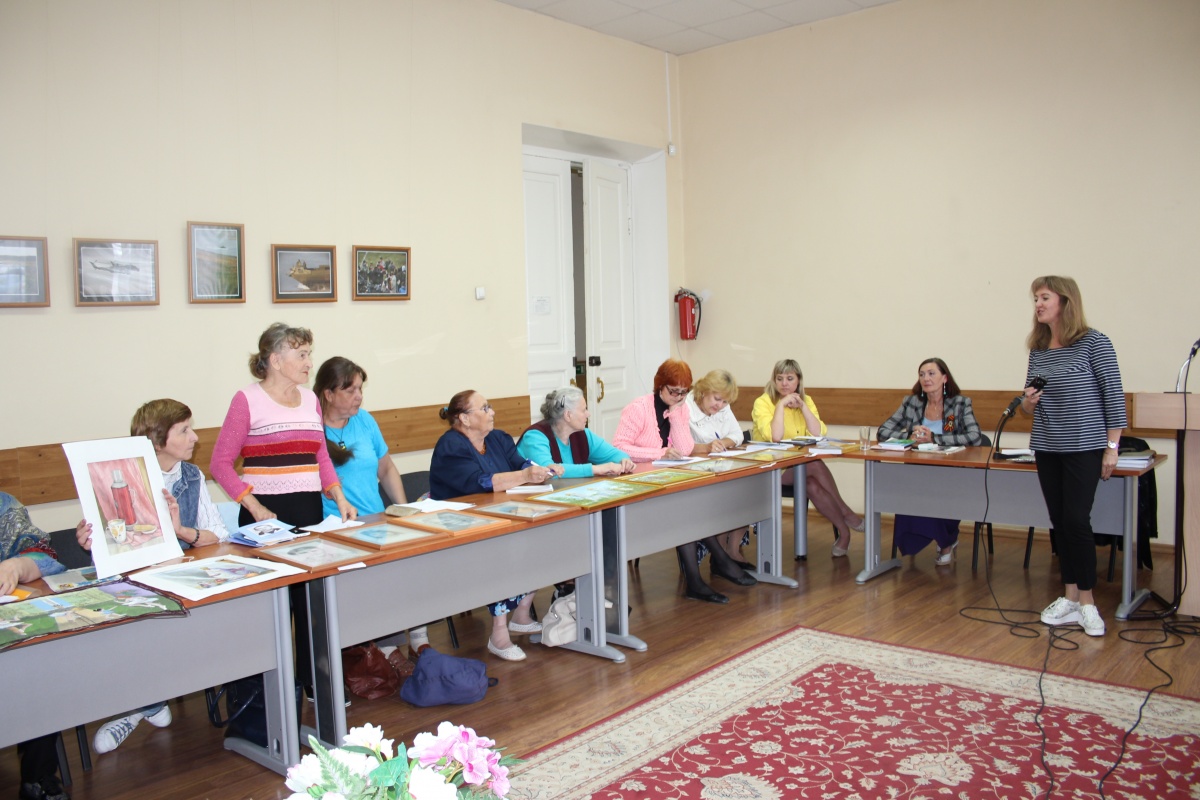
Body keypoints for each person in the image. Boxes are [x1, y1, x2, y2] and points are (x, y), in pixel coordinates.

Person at [210, 323, 357, 694]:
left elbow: (320, 455)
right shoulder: (246, 400)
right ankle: (275, 691)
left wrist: (338, 495)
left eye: (309, 353)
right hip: (265, 516)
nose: (309, 362)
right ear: (275, 361)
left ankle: (314, 682)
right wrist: (254, 505)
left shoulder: (310, 400)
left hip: (308, 510)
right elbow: (220, 464)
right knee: (273, 609)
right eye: (302, 354)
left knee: (310, 602)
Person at [89, 398, 235, 754]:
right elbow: (115, 541)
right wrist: (93, 539)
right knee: (136, 624)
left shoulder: (191, 475)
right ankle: (144, 704)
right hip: (138, 583)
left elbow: (219, 534)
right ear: (157, 441)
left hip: (183, 578)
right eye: (184, 431)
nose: (195, 437)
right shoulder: (118, 477)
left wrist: (182, 531)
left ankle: (150, 703)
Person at [1021, 276, 1126, 637]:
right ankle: (1068, 598)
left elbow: (1113, 396)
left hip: (1085, 446)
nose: (1038, 304)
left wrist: (1112, 448)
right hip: (1047, 446)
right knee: (1060, 522)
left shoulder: (1094, 342)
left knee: (1077, 520)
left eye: (1044, 297)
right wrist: (1027, 403)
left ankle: (1087, 603)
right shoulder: (1038, 349)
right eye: (1036, 299)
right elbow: (1029, 405)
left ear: (1065, 301)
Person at [429, 390, 561, 661]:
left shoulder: (498, 438)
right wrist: (523, 475)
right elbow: (480, 482)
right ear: (465, 419)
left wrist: (538, 470)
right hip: (460, 528)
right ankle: (498, 635)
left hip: (500, 517)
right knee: (503, 548)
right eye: (485, 408)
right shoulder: (450, 446)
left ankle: (521, 614)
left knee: (543, 537)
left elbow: (520, 464)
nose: (493, 413)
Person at [313, 356, 433, 654]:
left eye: (360, 389)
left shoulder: (364, 420)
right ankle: (386, 651)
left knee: (412, 564)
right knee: (373, 587)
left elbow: (386, 468)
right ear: (328, 394)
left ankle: (419, 640)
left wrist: (405, 510)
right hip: (337, 529)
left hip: (377, 521)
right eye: (351, 390)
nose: (359, 396)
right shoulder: (312, 429)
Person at [613, 359, 756, 604]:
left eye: (683, 392)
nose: (679, 397)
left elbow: (685, 448)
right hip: (640, 482)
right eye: (674, 391)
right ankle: (715, 565)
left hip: (665, 479)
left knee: (688, 508)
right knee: (686, 510)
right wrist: (660, 453)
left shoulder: (680, 408)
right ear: (660, 385)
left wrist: (677, 414)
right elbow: (619, 447)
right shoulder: (638, 408)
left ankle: (701, 576)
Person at [2, 492, 87, 800]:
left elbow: (45, 557)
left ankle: (37, 778)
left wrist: (16, 566)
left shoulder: (4, 506)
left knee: (39, 664)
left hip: (9, 635)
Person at [751, 359, 864, 557]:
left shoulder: (806, 400)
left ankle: (844, 534)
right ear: (774, 380)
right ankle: (846, 512)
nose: (784, 383)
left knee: (811, 484)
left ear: (798, 381)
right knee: (812, 465)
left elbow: (818, 433)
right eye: (779, 378)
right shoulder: (763, 402)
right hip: (769, 470)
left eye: (789, 378)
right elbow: (775, 436)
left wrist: (803, 406)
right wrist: (781, 405)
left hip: (797, 467)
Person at [877, 358, 984, 564]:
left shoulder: (959, 403)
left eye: (931, 373)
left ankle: (946, 542)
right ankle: (922, 540)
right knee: (911, 490)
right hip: (916, 469)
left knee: (935, 491)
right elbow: (883, 431)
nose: (926, 378)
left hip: (949, 470)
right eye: (922, 374)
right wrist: (909, 436)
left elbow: (974, 437)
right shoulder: (912, 403)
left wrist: (934, 438)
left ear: (944, 378)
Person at [686, 369, 752, 566]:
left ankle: (731, 551)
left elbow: (737, 435)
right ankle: (721, 556)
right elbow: (681, 445)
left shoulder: (723, 407)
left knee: (748, 493)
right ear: (704, 391)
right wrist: (706, 447)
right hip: (694, 472)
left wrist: (723, 442)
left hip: (720, 467)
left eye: (724, 402)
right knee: (725, 496)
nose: (720, 405)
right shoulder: (686, 408)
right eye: (717, 399)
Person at [517, 386, 635, 478]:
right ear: (568, 415)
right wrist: (596, 469)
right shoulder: (534, 436)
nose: (588, 414)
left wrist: (624, 461)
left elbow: (616, 455)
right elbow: (549, 472)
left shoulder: (583, 435)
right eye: (584, 410)